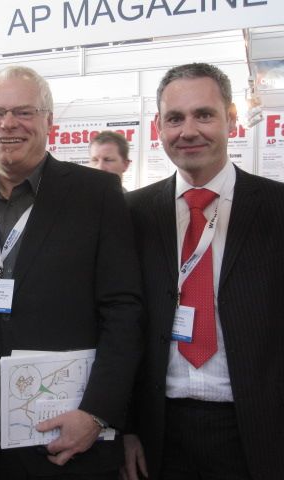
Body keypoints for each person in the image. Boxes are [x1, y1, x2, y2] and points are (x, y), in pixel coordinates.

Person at [0, 65, 143, 480]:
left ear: (49, 121)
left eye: (24, 112)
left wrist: (98, 412)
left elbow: (124, 311)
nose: (8, 124)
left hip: (71, 434)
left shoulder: (97, 195)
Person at [124, 62, 284, 480]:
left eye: (204, 115)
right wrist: (126, 427)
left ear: (231, 119)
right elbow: (122, 326)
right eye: (175, 118)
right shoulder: (132, 214)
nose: (188, 131)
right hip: (159, 433)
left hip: (258, 431)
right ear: (158, 127)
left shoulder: (277, 208)